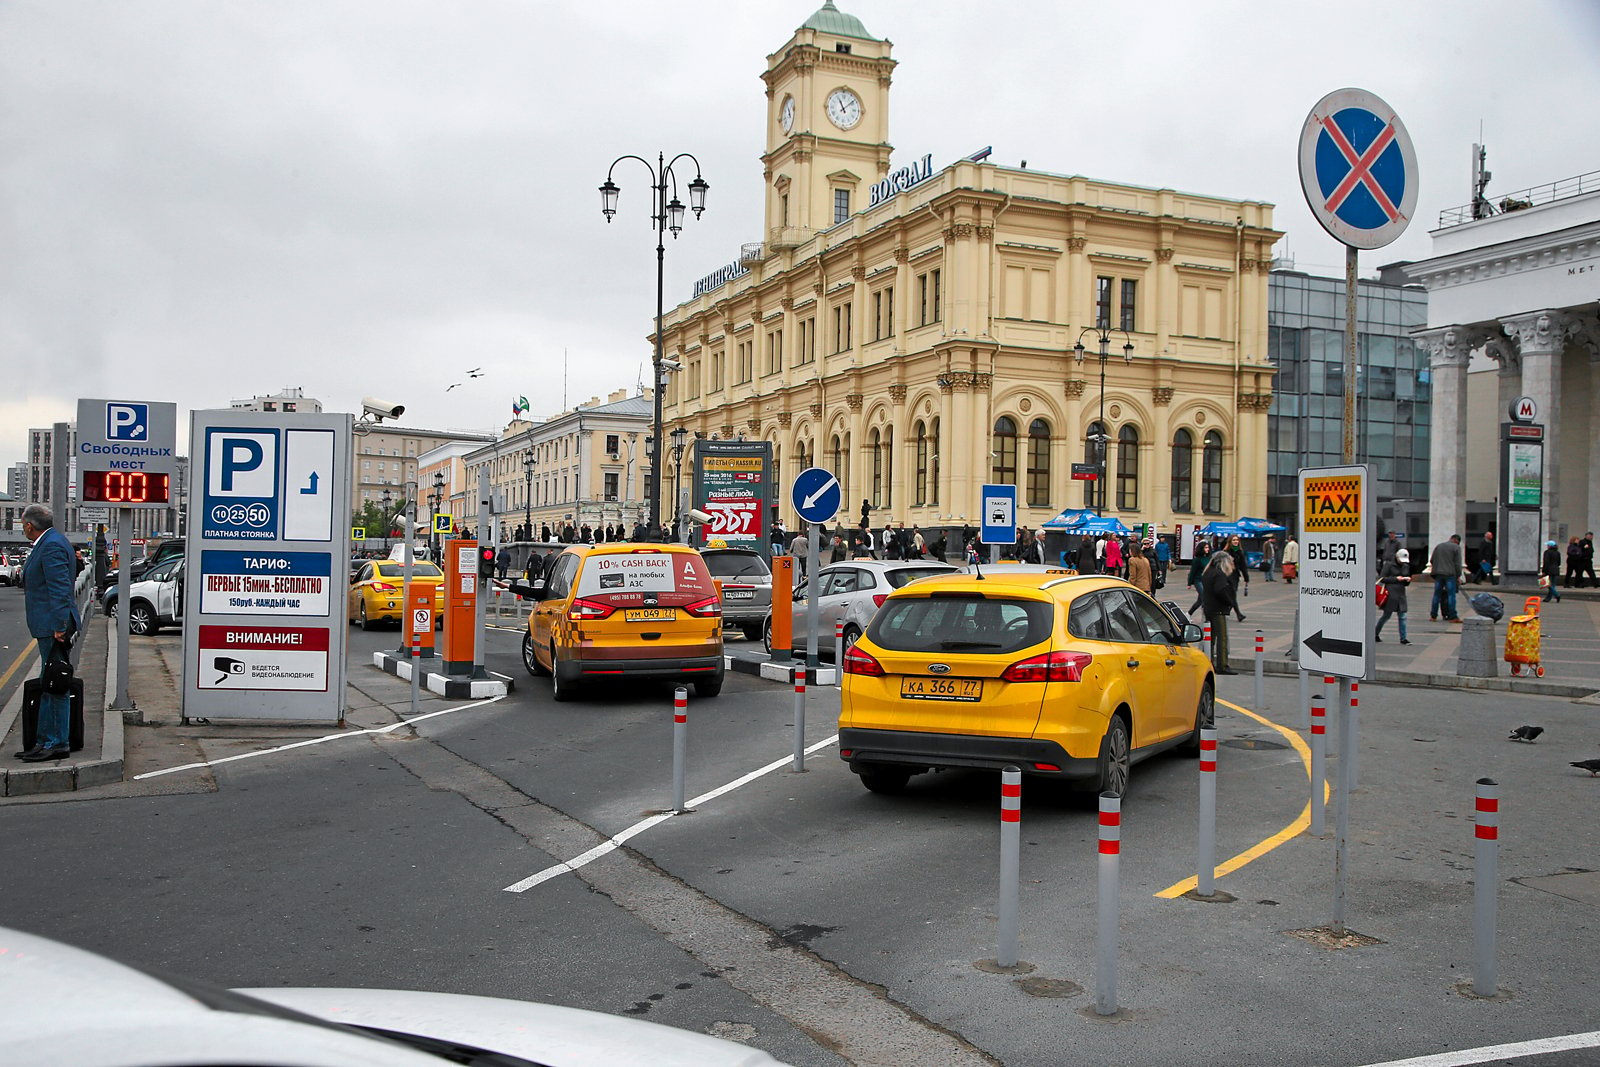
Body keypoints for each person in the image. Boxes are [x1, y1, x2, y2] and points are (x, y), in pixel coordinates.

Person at [16, 505, 81, 762]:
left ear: (29, 526)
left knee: (56, 684)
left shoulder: (51, 545)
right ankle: (43, 741)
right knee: (48, 683)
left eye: (23, 525)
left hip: (53, 626)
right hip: (50, 624)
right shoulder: (52, 541)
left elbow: (59, 588)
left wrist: (59, 626)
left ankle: (57, 742)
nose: (23, 529)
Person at [1200, 551, 1239, 674]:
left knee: (1210, 638)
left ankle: (1208, 662)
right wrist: (1229, 601)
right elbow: (1220, 590)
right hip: (1219, 609)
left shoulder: (1208, 572)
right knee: (1222, 638)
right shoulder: (1219, 574)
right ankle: (1222, 665)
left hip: (1208, 607)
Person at [1374, 550, 1411, 644]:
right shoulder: (1389, 565)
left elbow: (1406, 582)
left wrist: (1407, 580)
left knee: (1403, 616)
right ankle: (1375, 633)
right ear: (1397, 557)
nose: (1402, 562)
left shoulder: (1405, 566)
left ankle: (1403, 638)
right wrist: (1395, 579)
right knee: (1386, 616)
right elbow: (1382, 578)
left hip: (1401, 594)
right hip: (1390, 594)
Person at [1429, 534, 1463, 622]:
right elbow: (1457, 564)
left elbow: (1432, 560)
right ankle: (1453, 616)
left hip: (1438, 574)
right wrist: (1458, 576)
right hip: (1450, 574)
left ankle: (1433, 615)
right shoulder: (1456, 548)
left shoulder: (1439, 546)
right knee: (1451, 595)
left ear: (1450, 539)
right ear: (1457, 541)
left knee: (1437, 595)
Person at [1225, 535, 1249, 619]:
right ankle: (1238, 614)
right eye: (1234, 540)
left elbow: (1243, 566)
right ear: (1230, 542)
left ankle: (1226, 611)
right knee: (1232, 595)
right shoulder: (1226, 552)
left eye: (1237, 540)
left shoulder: (1240, 552)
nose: (1236, 542)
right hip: (1227, 575)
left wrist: (1246, 578)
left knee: (1232, 595)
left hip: (1235, 576)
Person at [1187, 542, 1212, 616]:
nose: (1207, 549)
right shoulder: (1197, 560)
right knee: (1204, 597)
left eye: (1208, 547)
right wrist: (1189, 583)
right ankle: (1207, 616)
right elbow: (1192, 572)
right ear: (1201, 549)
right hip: (1198, 580)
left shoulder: (1209, 558)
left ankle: (1189, 613)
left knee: (1200, 600)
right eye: (1205, 548)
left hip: (1206, 580)